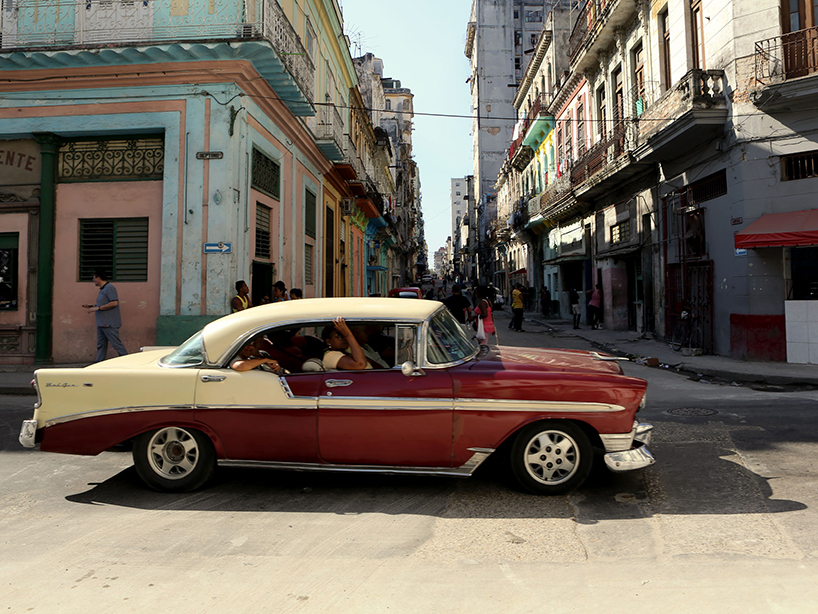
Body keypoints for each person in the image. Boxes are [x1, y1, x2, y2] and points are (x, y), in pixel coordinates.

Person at [84, 270, 128, 362]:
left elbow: (114, 303)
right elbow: (104, 305)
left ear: (98, 278)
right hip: (102, 323)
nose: (93, 280)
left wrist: (98, 308)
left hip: (109, 323)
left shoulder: (109, 288)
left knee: (116, 344)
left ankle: (127, 361)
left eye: (94, 278)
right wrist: (93, 306)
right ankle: (99, 363)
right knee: (101, 345)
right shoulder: (103, 290)